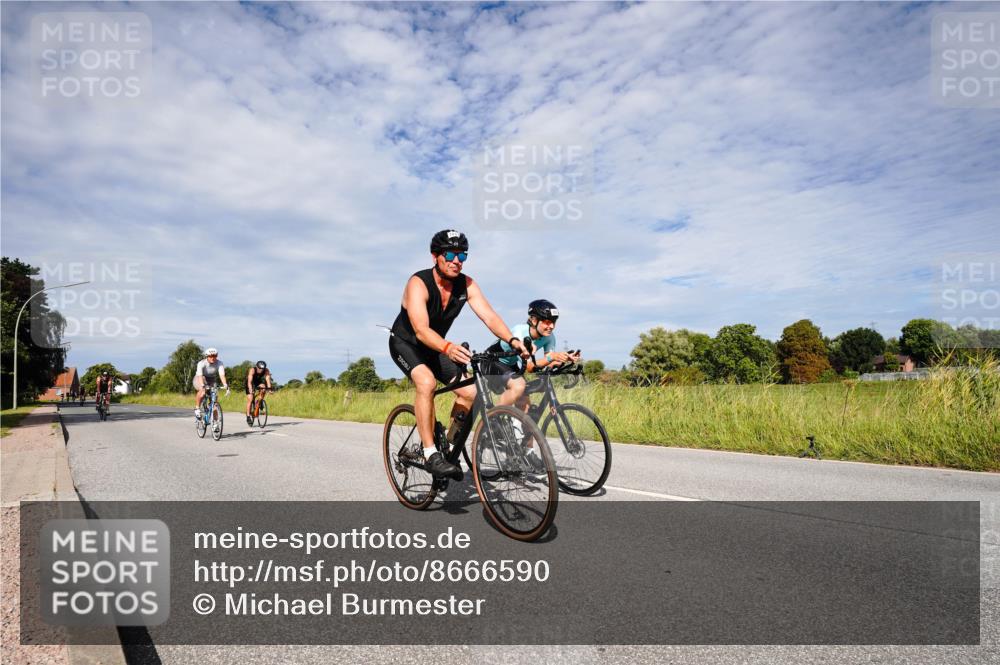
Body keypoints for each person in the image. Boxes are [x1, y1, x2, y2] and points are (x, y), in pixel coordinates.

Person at [389, 229, 529, 480]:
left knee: (470, 391)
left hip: (436, 347)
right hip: (406, 343)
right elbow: (421, 330)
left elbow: (489, 316)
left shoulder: (467, 284)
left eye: (462, 255)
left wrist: (511, 339)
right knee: (426, 382)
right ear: (435, 257)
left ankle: (450, 447)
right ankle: (430, 453)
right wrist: (448, 347)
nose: (457, 260)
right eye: (450, 254)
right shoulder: (418, 283)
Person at [193, 348, 229, 418]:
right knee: (202, 391)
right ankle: (197, 408)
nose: (213, 358)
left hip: (211, 379)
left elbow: (222, 375)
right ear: (207, 356)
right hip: (200, 377)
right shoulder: (201, 363)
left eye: (215, 356)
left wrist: (225, 385)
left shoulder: (219, 363)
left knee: (214, 401)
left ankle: (215, 423)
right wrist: (203, 385)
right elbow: (200, 376)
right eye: (210, 356)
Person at [245, 360, 273, 425]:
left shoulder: (266, 370)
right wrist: (251, 389)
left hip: (257, 382)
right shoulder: (252, 370)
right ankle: (248, 416)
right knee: (251, 399)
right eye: (260, 369)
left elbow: (268, 380)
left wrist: (269, 389)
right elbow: (249, 381)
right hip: (250, 383)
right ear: (257, 367)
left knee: (263, 387)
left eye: (262, 369)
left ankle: (259, 401)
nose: (261, 370)